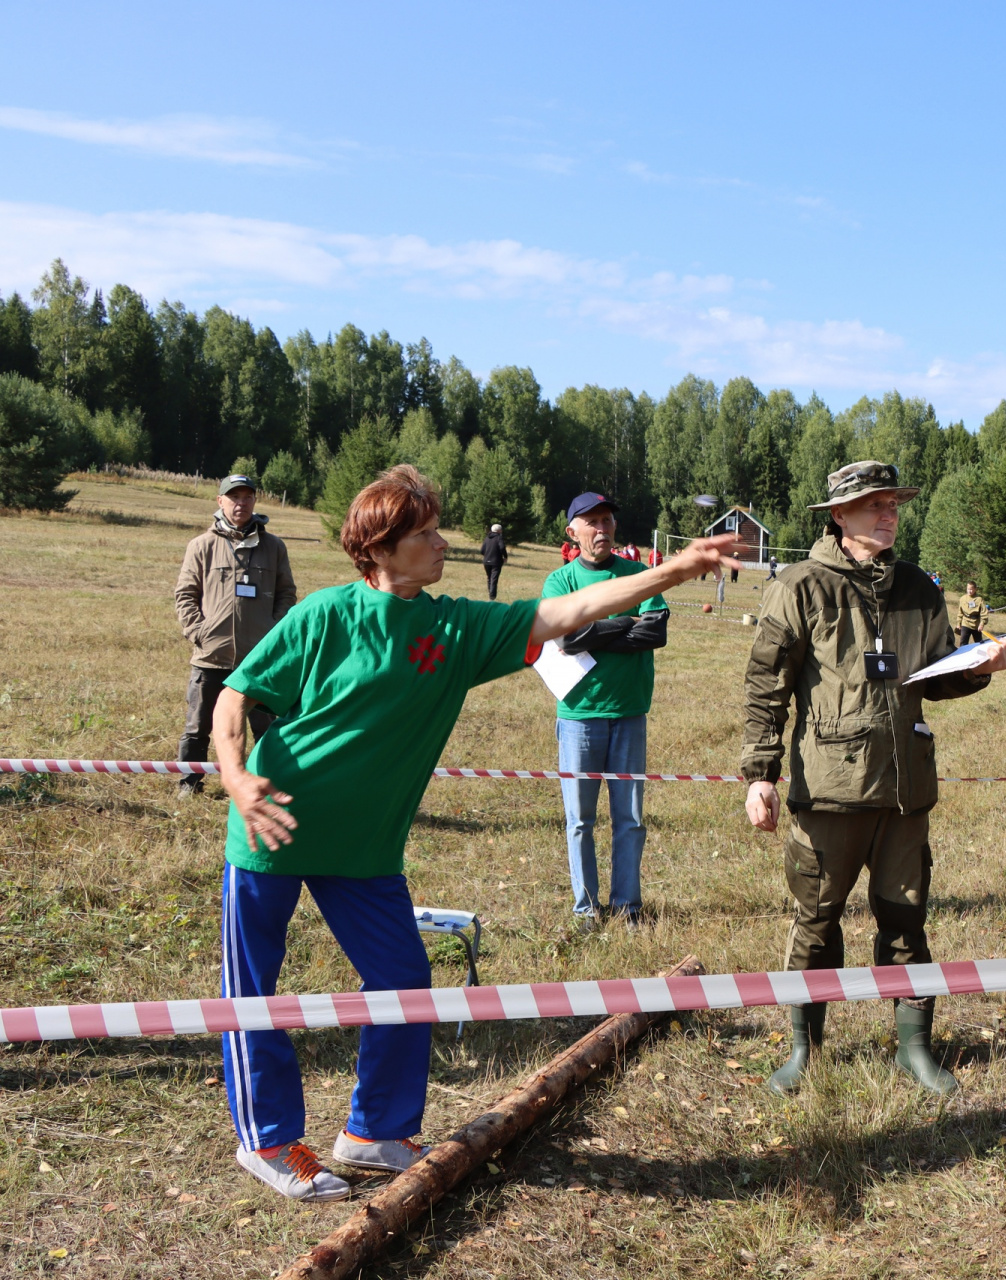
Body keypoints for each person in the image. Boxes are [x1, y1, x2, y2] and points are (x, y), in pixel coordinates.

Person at [212, 464, 735, 1203]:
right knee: (254, 996)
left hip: (364, 850)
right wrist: (235, 776)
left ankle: (375, 1130)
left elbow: (570, 612)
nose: (442, 543)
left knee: (403, 983)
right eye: (423, 534)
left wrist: (673, 572)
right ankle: (266, 1141)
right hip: (274, 828)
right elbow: (235, 697)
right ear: (381, 548)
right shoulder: (324, 616)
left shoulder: (455, 627)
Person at [743, 461, 1006, 1097]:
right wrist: (759, 774)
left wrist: (983, 666)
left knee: (906, 919)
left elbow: (935, 677)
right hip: (829, 792)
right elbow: (766, 685)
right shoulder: (800, 585)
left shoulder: (920, 589)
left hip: (904, 791)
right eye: (875, 505)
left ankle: (914, 1048)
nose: (890, 514)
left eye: (894, 503)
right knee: (817, 921)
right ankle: (803, 1050)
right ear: (840, 516)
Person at [542, 492, 672, 927]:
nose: (602, 528)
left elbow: (654, 634)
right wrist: (626, 622)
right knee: (580, 820)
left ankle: (627, 906)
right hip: (578, 715)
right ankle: (585, 910)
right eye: (592, 522)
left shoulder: (640, 575)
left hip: (630, 712)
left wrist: (594, 629)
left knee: (630, 818)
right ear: (572, 532)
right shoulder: (560, 582)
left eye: (607, 520)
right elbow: (565, 639)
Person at [174, 474, 297, 798]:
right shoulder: (201, 546)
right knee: (198, 727)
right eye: (233, 497)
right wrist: (198, 631)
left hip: (258, 659)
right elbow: (185, 594)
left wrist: (274, 632)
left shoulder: (273, 547)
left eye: (246, 497)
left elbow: (286, 593)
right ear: (220, 501)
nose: (240, 503)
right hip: (211, 656)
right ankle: (190, 783)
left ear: (254, 501)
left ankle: (270, 782)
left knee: (267, 728)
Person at [480, 523, 508, 600]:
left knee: (489, 578)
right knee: (494, 578)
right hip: (496, 561)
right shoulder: (499, 538)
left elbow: (482, 550)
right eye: (501, 530)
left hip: (486, 561)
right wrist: (505, 556)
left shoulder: (487, 538)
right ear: (499, 531)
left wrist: (487, 555)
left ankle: (490, 594)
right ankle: (492, 596)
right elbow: (502, 547)